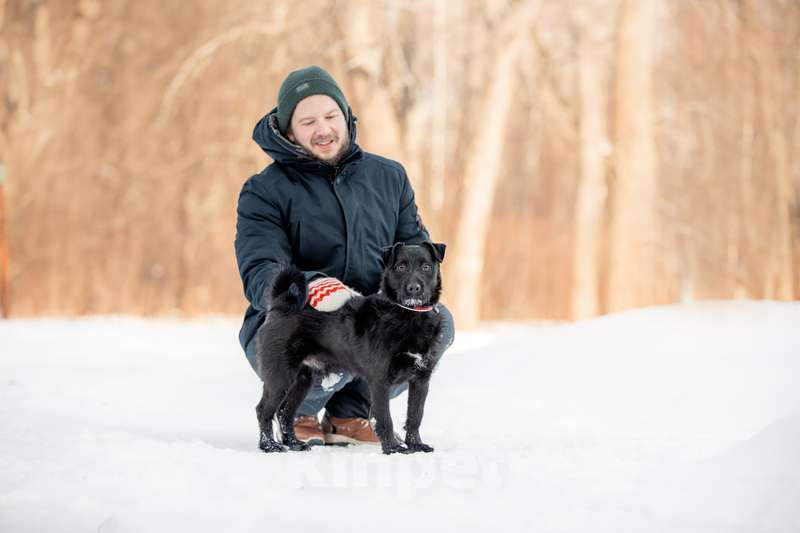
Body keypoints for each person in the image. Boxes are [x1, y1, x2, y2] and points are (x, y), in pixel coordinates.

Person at [235, 65, 454, 447]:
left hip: (370, 322)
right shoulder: (263, 190)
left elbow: (417, 251)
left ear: (346, 117)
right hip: (300, 320)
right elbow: (260, 266)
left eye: (330, 116)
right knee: (307, 340)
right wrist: (309, 286)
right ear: (289, 132)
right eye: (307, 122)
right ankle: (298, 409)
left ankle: (349, 415)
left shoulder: (389, 177)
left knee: (438, 322)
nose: (323, 129)